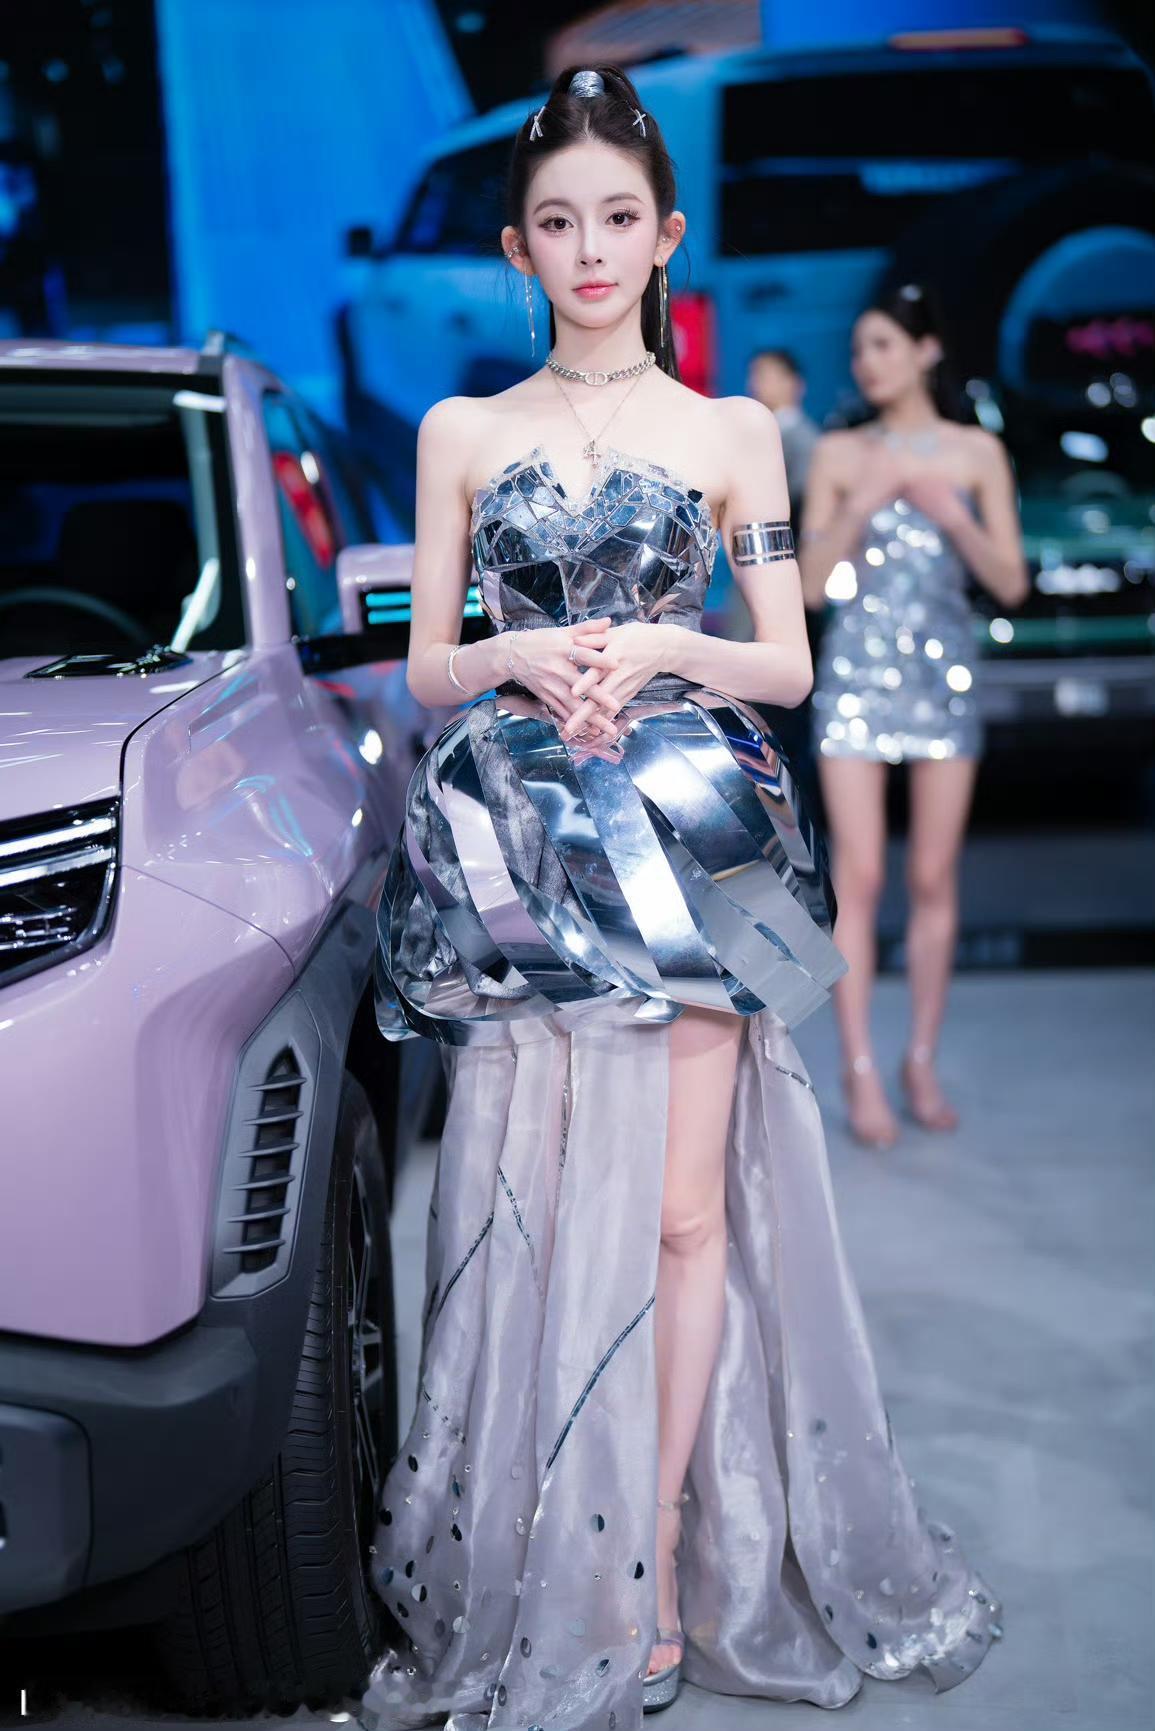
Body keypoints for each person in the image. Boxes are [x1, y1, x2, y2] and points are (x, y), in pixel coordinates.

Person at [357, 71, 1002, 1731]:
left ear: (667, 235)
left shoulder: (731, 433)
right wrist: (514, 653)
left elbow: (783, 661)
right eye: (557, 222)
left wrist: (657, 644)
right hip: (522, 848)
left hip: (695, 838)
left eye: (618, 218)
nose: (589, 248)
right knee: (522, 1202)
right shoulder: (459, 433)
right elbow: (427, 663)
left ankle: (644, 1557)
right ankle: (532, 1554)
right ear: (517, 248)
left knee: (682, 1216)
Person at [799, 284, 1029, 1150]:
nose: (867, 362)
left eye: (884, 345)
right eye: (859, 348)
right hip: (854, 680)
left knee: (932, 877)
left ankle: (920, 1060)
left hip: (942, 680)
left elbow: (1009, 583)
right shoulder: (838, 452)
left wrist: (951, 518)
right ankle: (858, 1066)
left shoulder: (975, 453)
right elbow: (809, 587)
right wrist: (861, 506)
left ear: (926, 351)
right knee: (857, 876)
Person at [747, 347, 821, 518]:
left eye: (761, 376)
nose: (752, 384)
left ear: (792, 383)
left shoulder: (804, 440)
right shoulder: (758, 433)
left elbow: (800, 498)